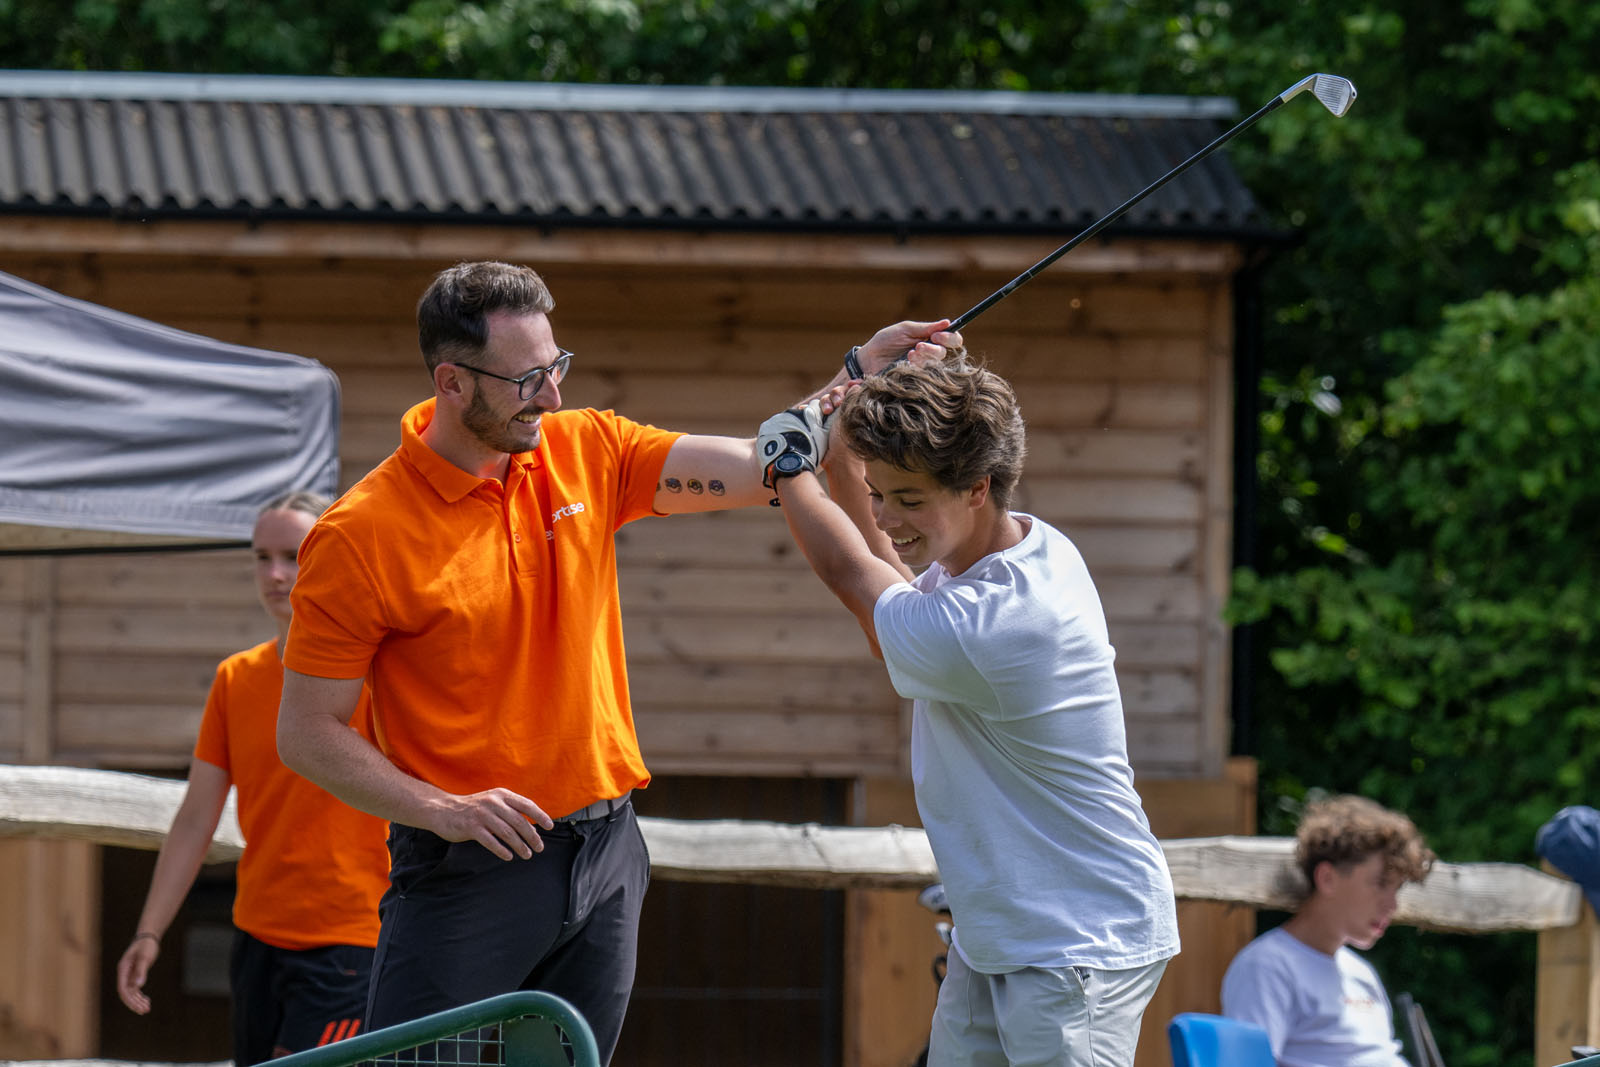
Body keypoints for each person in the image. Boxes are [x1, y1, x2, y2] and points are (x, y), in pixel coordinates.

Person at [274, 259, 957, 1063]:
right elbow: (307, 732)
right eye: (528, 378)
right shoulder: (358, 534)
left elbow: (755, 460)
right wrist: (440, 809)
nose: (552, 394)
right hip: (467, 868)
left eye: (556, 366)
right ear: (452, 382)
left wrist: (854, 374)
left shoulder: (587, 447)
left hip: (607, 854)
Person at [766, 356, 1180, 1066]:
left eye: (909, 500)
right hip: (1000, 936)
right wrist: (838, 462)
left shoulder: (1000, 620)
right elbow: (892, 597)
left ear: (977, 487)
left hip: (1076, 943)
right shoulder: (1014, 548)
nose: (889, 519)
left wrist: (787, 464)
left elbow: (856, 578)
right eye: (879, 493)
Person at [116, 491, 391, 1065]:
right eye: (261, 557)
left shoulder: (381, 676)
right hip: (257, 938)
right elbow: (196, 819)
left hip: (353, 944)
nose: (274, 574)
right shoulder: (235, 679)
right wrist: (149, 932)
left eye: (292, 555)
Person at [1220, 794, 1436, 1067]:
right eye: (1381, 883)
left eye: (1397, 889)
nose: (1392, 905)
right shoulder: (1268, 967)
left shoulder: (1361, 973)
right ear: (1327, 878)